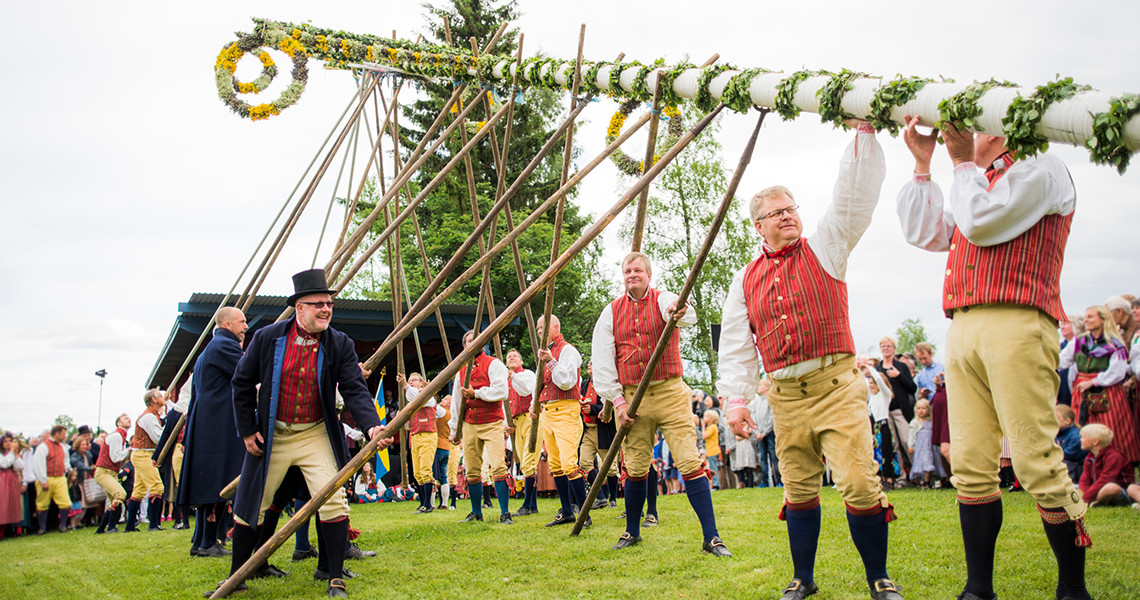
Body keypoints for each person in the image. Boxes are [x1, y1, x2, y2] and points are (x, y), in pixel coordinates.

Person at [897, 115, 1089, 600]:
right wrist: (924, 166)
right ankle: (978, 589)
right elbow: (925, 234)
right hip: (963, 326)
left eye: (972, 128)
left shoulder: (1042, 169)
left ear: (999, 132)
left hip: (1019, 323)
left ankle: (1073, 588)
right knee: (970, 461)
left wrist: (961, 163)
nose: (959, 135)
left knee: (1035, 459)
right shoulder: (975, 183)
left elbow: (981, 223)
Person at [719, 123, 902, 600]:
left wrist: (863, 136)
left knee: (861, 482)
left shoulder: (828, 246)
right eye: (775, 214)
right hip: (785, 397)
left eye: (791, 209)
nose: (787, 217)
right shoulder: (743, 281)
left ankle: (879, 579)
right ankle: (803, 578)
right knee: (798, 489)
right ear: (757, 226)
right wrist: (736, 403)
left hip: (838, 386)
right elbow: (737, 347)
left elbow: (851, 198)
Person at [216, 269, 391, 599]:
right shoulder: (269, 338)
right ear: (299, 307)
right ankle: (236, 577)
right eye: (318, 304)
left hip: (315, 434)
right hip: (273, 436)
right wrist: (248, 430)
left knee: (334, 499)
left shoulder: (340, 343)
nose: (326, 309)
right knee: (251, 505)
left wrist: (372, 427)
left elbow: (355, 388)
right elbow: (240, 383)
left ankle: (334, 578)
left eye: (329, 303)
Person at [593, 252, 728, 556]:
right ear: (623, 275)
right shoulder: (611, 312)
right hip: (632, 397)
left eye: (638, 270)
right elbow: (602, 362)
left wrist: (675, 309)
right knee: (637, 467)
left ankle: (712, 537)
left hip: (670, 392)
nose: (632, 274)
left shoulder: (662, 299)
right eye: (627, 270)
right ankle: (632, 531)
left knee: (690, 461)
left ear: (649, 274)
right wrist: (617, 402)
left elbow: (687, 314)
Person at [175, 306, 247, 557]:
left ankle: (203, 540)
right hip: (218, 424)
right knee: (218, 481)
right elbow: (247, 371)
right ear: (227, 325)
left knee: (214, 480)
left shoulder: (208, 350)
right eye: (242, 322)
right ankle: (207, 543)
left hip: (207, 423)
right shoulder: (224, 346)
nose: (245, 327)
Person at [1059, 306, 1139, 463]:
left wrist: (1094, 381)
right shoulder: (1079, 341)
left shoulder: (1115, 344)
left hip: (1108, 392)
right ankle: (1086, 466)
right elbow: (1062, 361)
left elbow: (1118, 372)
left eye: (1091, 316)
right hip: (1081, 391)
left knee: (1110, 429)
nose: (1086, 319)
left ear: (1103, 319)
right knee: (1082, 426)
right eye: (1086, 316)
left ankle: (1115, 465)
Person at [448, 329, 512, 524]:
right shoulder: (460, 370)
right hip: (469, 424)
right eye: (468, 341)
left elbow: (501, 390)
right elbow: (456, 402)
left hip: (492, 422)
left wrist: (476, 393)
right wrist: (454, 429)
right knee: (472, 469)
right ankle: (476, 512)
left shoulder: (494, 364)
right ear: (464, 346)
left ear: (483, 343)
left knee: (498, 466)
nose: (471, 343)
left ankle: (505, 513)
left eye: (475, 340)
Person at [531, 315, 587, 527]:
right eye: (537, 328)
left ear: (555, 327)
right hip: (548, 411)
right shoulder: (547, 353)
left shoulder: (567, 350)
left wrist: (550, 362)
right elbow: (542, 384)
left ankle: (583, 513)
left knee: (569, 463)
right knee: (555, 465)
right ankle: (566, 511)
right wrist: (534, 404)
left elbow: (566, 382)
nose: (539, 331)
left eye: (542, 327)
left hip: (565, 410)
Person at [396, 371, 444, 514]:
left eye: (414, 380)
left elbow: (422, 400)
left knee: (425, 471)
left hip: (427, 435)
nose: (411, 382)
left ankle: (428, 504)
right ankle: (423, 503)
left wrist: (405, 386)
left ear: (422, 383)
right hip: (415, 436)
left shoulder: (427, 394)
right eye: (410, 380)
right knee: (417, 473)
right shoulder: (412, 399)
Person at [124, 389, 168, 533]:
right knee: (157, 487)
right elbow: (157, 437)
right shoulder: (148, 417)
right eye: (160, 396)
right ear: (154, 400)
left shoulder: (151, 416)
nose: (163, 397)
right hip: (144, 454)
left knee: (139, 489)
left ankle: (130, 525)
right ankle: (154, 524)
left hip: (142, 454)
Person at [579, 362, 620, 508]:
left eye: (592, 363)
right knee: (584, 463)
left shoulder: (605, 384)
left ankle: (613, 499)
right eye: (589, 363)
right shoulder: (584, 384)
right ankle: (601, 496)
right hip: (587, 430)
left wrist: (594, 409)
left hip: (603, 430)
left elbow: (612, 405)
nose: (589, 365)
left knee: (610, 467)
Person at [504, 349, 539, 516]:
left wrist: (513, 376)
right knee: (521, 461)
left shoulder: (528, 374)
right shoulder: (506, 381)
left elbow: (527, 389)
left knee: (528, 461)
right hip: (516, 422)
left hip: (530, 419)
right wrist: (506, 423)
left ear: (521, 361)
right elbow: (504, 404)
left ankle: (527, 504)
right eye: (509, 357)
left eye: (515, 356)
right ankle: (532, 505)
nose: (511, 358)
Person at [876, 336, 916, 480]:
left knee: (907, 441)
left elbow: (912, 388)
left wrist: (899, 376)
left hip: (900, 410)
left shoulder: (901, 367)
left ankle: (918, 474)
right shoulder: (878, 369)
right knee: (894, 445)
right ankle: (902, 477)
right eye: (883, 346)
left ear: (894, 349)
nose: (886, 349)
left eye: (888, 346)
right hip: (885, 412)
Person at [1077, 424, 1139, 507]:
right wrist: (1082, 495)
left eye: (1083, 437)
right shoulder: (1090, 457)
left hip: (1120, 493)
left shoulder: (1114, 456)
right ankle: (1096, 503)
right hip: (1097, 490)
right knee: (1073, 486)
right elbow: (1085, 480)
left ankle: (1093, 503)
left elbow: (1105, 480)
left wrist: (1085, 499)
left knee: (1111, 488)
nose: (1080, 439)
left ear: (1095, 441)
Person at [92, 414, 131, 534]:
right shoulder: (116, 436)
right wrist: (128, 450)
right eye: (125, 418)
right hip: (104, 472)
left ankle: (102, 529)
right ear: (118, 423)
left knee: (114, 499)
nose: (128, 419)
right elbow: (115, 457)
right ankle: (111, 527)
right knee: (120, 494)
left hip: (109, 472)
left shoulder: (120, 437)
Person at [32, 425, 72, 534]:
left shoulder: (63, 447)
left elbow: (66, 460)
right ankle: (42, 528)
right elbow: (38, 464)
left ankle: (63, 526)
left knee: (65, 502)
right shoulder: (43, 447)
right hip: (47, 477)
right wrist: (43, 480)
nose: (64, 436)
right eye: (63, 434)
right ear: (57, 434)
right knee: (42, 503)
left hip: (59, 477)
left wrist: (68, 469)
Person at [750, 380, 779, 488]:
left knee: (774, 457)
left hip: (769, 433)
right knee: (762, 458)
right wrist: (757, 432)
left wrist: (765, 432)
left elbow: (771, 417)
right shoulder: (755, 403)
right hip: (759, 434)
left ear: (767, 387)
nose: (758, 387)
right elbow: (753, 417)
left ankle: (779, 481)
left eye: (761, 385)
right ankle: (765, 482)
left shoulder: (771, 400)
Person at [906, 400, 941, 488]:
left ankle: (930, 482)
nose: (921, 410)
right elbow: (911, 435)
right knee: (925, 462)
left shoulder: (932, 422)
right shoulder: (915, 422)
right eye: (919, 408)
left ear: (928, 410)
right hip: (921, 448)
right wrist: (910, 445)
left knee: (931, 462)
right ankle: (925, 482)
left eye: (923, 408)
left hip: (931, 447)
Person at [1054, 405, 1086, 485]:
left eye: (1056, 418)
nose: (1053, 421)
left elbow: (1071, 455)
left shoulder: (1076, 435)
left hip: (1077, 469)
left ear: (1068, 421)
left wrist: (1053, 454)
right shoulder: (1057, 434)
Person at [0, 434, 24, 539]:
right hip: (2, 480)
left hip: (11, 481)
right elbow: (4, 464)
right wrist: (11, 453)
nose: (8, 443)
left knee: (10, 506)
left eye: (10, 441)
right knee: (2, 507)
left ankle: (5, 532)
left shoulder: (11, 454)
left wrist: (15, 454)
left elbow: (20, 466)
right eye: (5, 441)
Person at [702, 412, 722, 490]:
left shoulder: (713, 427)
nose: (704, 418)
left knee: (713, 469)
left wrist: (703, 426)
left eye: (706, 417)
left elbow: (704, 436)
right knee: (712, 468)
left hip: (713, 450)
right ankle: (714, 485)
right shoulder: (709, 427)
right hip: (710, 450)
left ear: (712, 419)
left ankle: (716, 485)